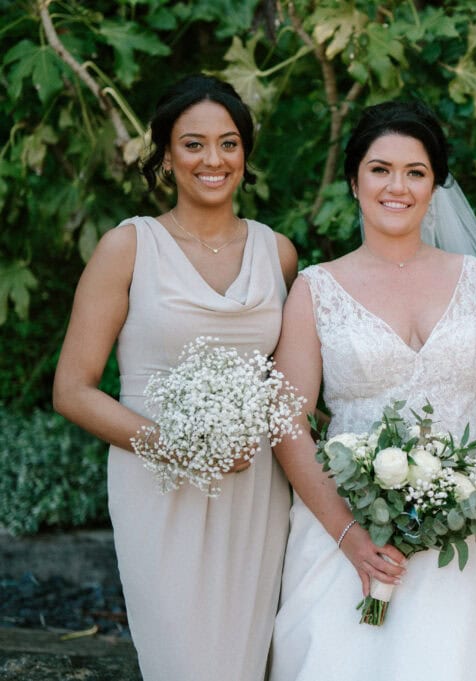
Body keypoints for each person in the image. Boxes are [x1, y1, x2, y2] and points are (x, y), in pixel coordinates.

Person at [268, 100, 476, 681]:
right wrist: (350, 536)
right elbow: (289, 425)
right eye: (380, 169)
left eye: (416, 172)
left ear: (435, 185)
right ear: (354, 180)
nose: (396, 187)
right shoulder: (314, 290)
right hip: (351, 526)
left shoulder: (475, 280)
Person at [52, 75, 297, 680]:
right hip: (157, 483)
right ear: (164, 155)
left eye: (229, 143)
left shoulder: (279, 253)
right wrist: (180, 447)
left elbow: (288, 387)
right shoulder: (130, 247)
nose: (213, 159)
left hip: (253, 487)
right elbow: (72, 390)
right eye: (193, 144)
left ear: (245, 154)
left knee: (245, 661)